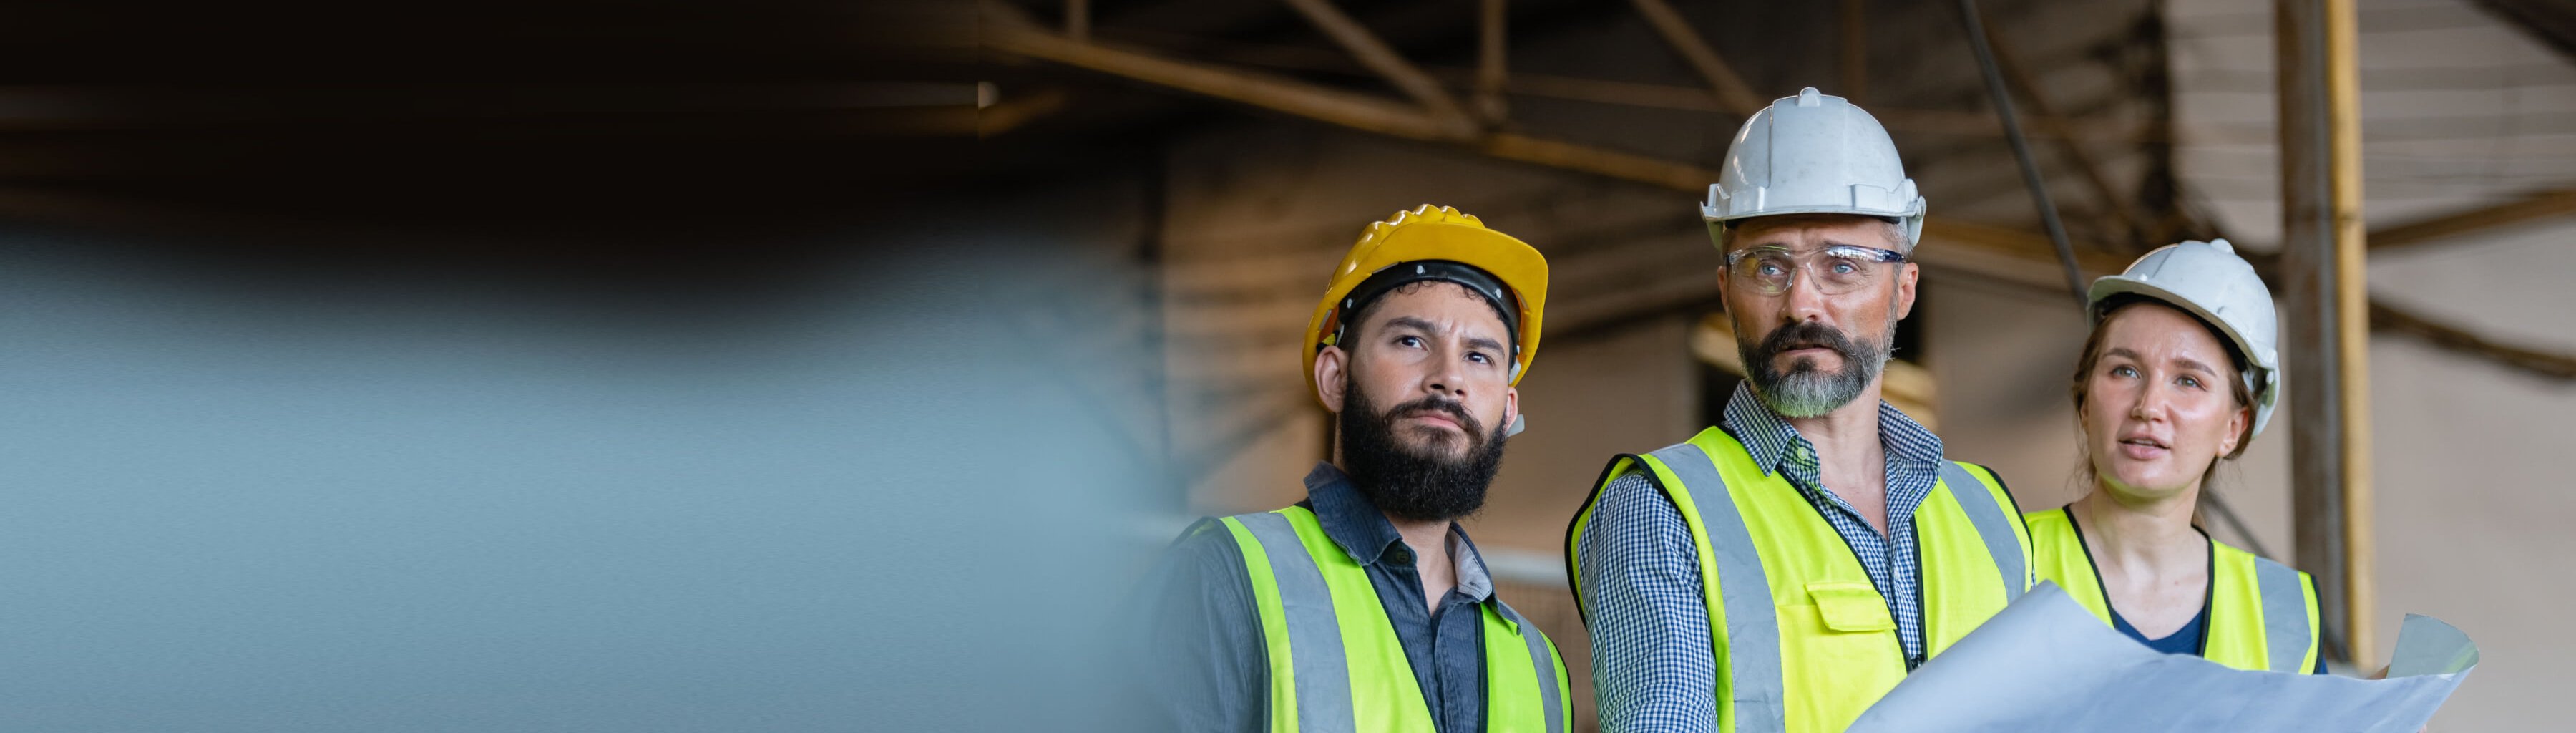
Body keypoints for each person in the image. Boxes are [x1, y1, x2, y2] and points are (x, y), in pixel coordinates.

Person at [1564, 88, 2034, 733]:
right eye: (1769, 267)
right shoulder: (1661, 510)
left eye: (1843, 266)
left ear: (1904, 289)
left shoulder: (1989, 515)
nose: (1802, 303)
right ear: (1727, 292)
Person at [1129, 205, 1573, 732]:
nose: (1448, 378)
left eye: (1480, 356)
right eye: (1411, 341)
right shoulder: (1224, 575)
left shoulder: (1540, 665)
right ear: (1335, 377)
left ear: (1508, 411)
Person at [2025, 238, 2323, 674]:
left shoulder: (2281, 612)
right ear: (2086, 402)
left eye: (2188, 381)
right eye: (2124, 371)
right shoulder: (2006, 559)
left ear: (2234, 428)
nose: (2148, 406)